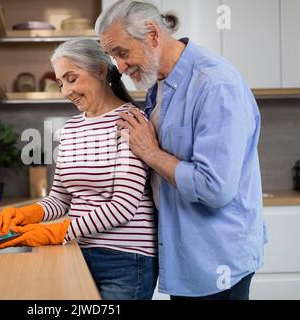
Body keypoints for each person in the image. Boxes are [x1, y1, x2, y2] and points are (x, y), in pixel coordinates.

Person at [95, 0, 267, 300]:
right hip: (186, 255)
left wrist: (150, 152)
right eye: (113, 57)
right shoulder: (158, 84)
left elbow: (213, 187)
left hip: (217, 259)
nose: (119, 67)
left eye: (122, 53)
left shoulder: (215, 85)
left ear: (152, 34)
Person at [0, 38, 158, 300]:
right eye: (60, 82)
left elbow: (124, 206)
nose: (66, 90)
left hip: (126, 259)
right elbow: (61, 198)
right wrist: (28, 214)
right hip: (79, 250)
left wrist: (57, 231)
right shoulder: (71, 129)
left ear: (101, 71)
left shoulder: (130, 122)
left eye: (71, 78)